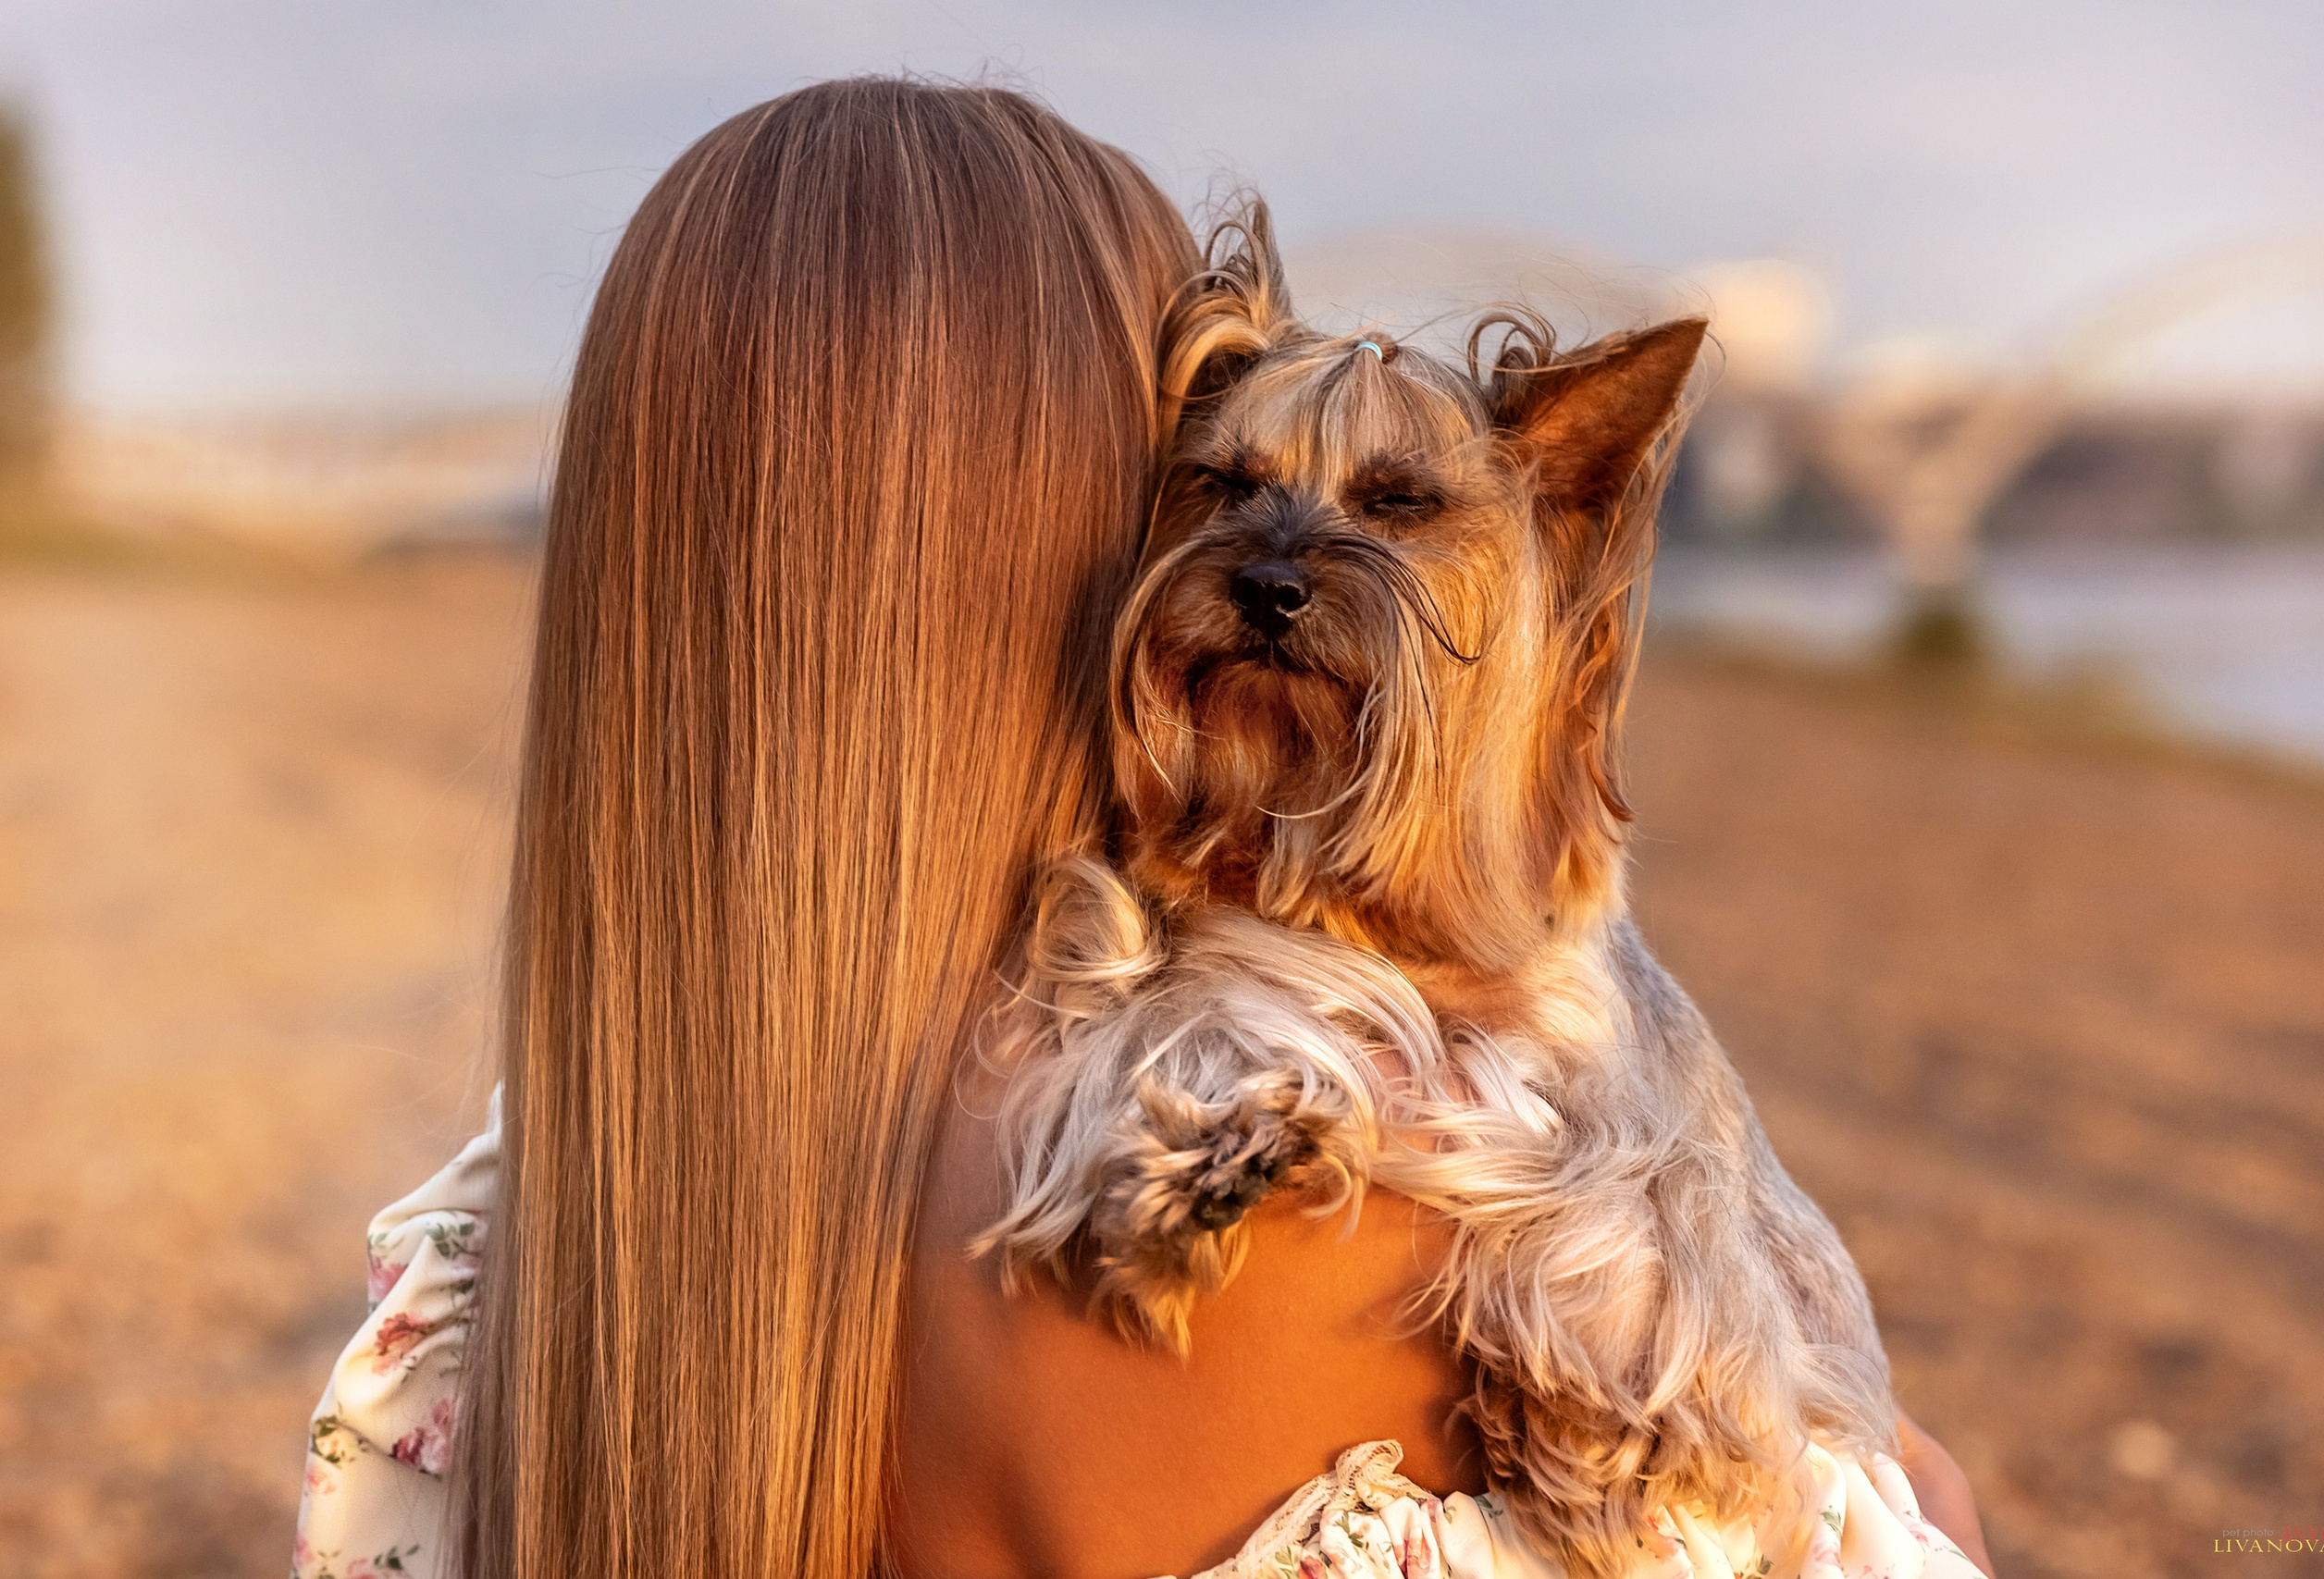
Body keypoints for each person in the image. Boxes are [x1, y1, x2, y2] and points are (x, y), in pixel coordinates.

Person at [294, 77, 1993, 1579]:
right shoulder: (1301, 1196)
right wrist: (1926, 1512)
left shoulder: (530, 1235)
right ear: (1068, 540)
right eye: (1193, 464)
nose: (1269, 559)